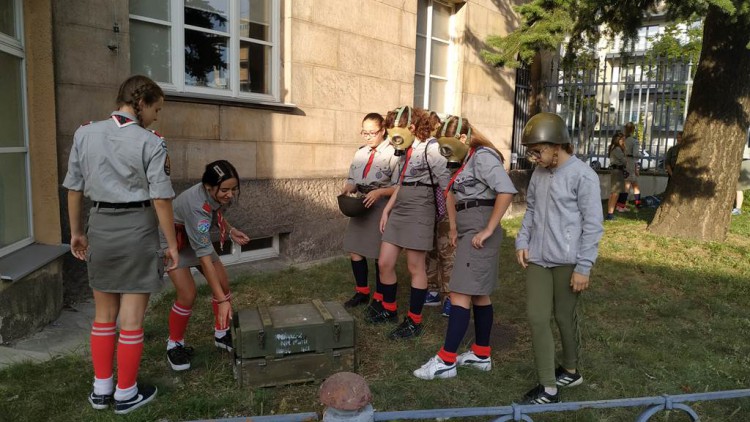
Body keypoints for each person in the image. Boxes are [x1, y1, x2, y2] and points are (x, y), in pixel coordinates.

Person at [64, 75, 178, 414]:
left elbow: (74, 188)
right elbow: (161, 199)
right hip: (137, 229)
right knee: (131, 318)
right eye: (156, 109)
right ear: (141, 103)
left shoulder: (84, 133)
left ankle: (101, 390)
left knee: (103, 315)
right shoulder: (151, 142)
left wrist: (76, 232)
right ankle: (126, 393)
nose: (156, 116)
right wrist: (171, 244)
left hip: (99, 225)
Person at [413, 116, 516, 380]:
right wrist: (453, 227)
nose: (445, 151)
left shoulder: (482, 157)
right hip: (467, 226)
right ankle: (481, 354)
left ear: (462, 138)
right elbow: (449, 191)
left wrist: (489, 229)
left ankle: (446, 360)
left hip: (480, 227)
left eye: (447, 145)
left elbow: (506, 191)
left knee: (459, 292)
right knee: (479, 294)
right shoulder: (461, 158)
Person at [514, 112, 604, 404]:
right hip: (538, 259)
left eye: (538, 151)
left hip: (568, 261)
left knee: (564, 316)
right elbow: (531, 211)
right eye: (531, 152)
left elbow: (593, 225)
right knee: (537, 316)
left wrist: (584, 267)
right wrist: (522, 241)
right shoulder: (539, 173)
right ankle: (549, 387)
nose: (534, 158)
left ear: (556, 145)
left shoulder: (583, 176)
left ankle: (571, 369)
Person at [365, 106, 452, 340]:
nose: (392, 134)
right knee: (385, 262)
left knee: (415, 267)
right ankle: (389, 309)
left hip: (421, 206)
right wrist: (388, 211)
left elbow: (447, 185)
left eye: (396, 129)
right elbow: (402, 182)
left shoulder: (431, 148)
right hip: (401, 206)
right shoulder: (404, 148)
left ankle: (414, 321)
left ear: (411, 127)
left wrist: (453, 223)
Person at [163, 160, 250, 371]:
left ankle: (221, 334)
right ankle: (174, 344)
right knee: (187, 294)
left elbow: (214, 211)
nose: (230, 194)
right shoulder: (196, 207)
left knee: (223, 283)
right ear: (208, 187)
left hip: (195, 235)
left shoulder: (212, 194)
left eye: (234, 189)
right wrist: (221, 301)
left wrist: (230, 230)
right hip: (174, 241)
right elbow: (204, 258)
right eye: (225, 190)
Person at [341, 113, 399, 308]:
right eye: (364, 133)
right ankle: (362, 292)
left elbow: (398, 187)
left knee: (379, 253)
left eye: (372, 133)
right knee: (355, 249)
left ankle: (380, 295)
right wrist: (349, 188)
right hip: (361, 204)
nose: (367, 137)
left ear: (383, 130)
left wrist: (379, 192)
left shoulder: (393, 153)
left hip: (381, 205)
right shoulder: (361, 153)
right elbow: (352, 179)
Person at [605, 132, 627, 220]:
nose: (624, 141)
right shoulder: (617, 149)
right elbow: (624, 161)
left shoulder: (614, 148)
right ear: (618, 140)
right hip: (617, 171)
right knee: (615, 193)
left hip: (617, 170)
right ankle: (610, 214)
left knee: (614, 193)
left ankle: (610, 213)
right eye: (623, 140)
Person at [622, 122, 642, 208]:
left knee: (632, 184)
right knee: (629, 185)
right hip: (631, 163)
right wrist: (641, 155)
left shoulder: (623, 140)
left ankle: (635, 203)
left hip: (624, 162)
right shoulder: (634, 141)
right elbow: (635, 154)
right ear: (633, 130)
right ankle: (623, 204)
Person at [732, 135, 750, 215]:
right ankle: (737, 208)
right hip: (740, 157)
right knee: (738, 186)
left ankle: (738, 209)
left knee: (739, 186)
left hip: (745, 158)